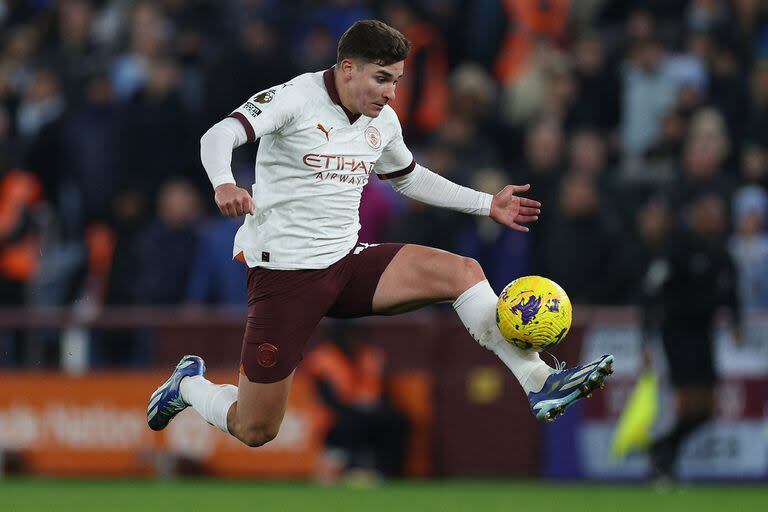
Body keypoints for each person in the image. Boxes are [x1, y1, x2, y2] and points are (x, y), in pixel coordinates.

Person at [147, 20, 614, 448]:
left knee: (462, 272)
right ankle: (188, 384)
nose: (391, 93)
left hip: (348, 263)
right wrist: (224, 183)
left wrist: (485, 203)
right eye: (381, 78)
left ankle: (538, 382)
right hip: (284, 277)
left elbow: (409, 176)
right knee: (256, 429)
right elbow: (217, 136)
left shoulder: (382, 120)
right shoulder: (293, 98)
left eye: (396, 81)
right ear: (347, 69)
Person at [643, 192, 741, 480]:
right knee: (688, 400)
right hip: (678, 335)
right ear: (696, 216)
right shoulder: (677, 249)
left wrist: (737, 322)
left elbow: (731, 291)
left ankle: (663, 448)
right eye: (709, 213)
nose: (715, 219)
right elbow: (651, 291)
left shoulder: (721, 252)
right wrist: (645, 337)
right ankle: (664, 457)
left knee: (708, 407)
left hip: (704, 335)